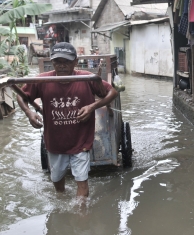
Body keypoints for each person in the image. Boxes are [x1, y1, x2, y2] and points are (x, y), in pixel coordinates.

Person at [17, 42, 118, 198]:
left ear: (75, 62)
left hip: (81, 140)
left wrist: (92, 107)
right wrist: (29, 112)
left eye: (67, 62)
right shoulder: (43, 80)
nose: (62, 66)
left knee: (82, 181)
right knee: (58, 184)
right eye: (58, 62)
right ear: (52, 62)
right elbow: (21, 95)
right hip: (55, 142)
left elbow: (112, 91)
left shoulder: (87, 78)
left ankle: (81, 215)